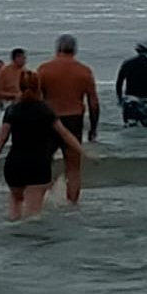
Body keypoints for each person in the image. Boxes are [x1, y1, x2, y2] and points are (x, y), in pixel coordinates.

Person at [0, 71, 84, 220]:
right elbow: (65, 134)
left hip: (14, 165)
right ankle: (31, 243)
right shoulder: (46, 110)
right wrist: (83, 152)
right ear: (38, 87)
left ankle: (10, 239)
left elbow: (1, 140)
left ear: (20, 87)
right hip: (38, 165)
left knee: (14, 211)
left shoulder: (12, 110)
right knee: (32, 217)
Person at [38, 34, 99, 204]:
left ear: (57, 48)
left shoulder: (44, 69)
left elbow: (35, 98)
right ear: (75, 50)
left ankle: (39, 200)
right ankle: (72, 204)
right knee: (73, 168)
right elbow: (93, 103)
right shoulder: (84, 71)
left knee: (44, 163)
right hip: (74, 119)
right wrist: (93, 128)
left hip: (49, 119)